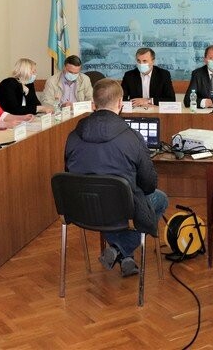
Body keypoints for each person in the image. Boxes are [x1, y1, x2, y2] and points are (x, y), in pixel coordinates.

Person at [64, 79, 168, 277]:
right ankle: (121, 248)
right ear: (120, 103)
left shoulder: (72, 136)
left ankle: (121, 253)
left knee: (106, 198)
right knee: (160, 199)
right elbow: (149, 185)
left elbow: (69, 173)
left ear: (93, 104)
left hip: (83, 208)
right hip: (121, 208)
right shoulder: (132, 137)